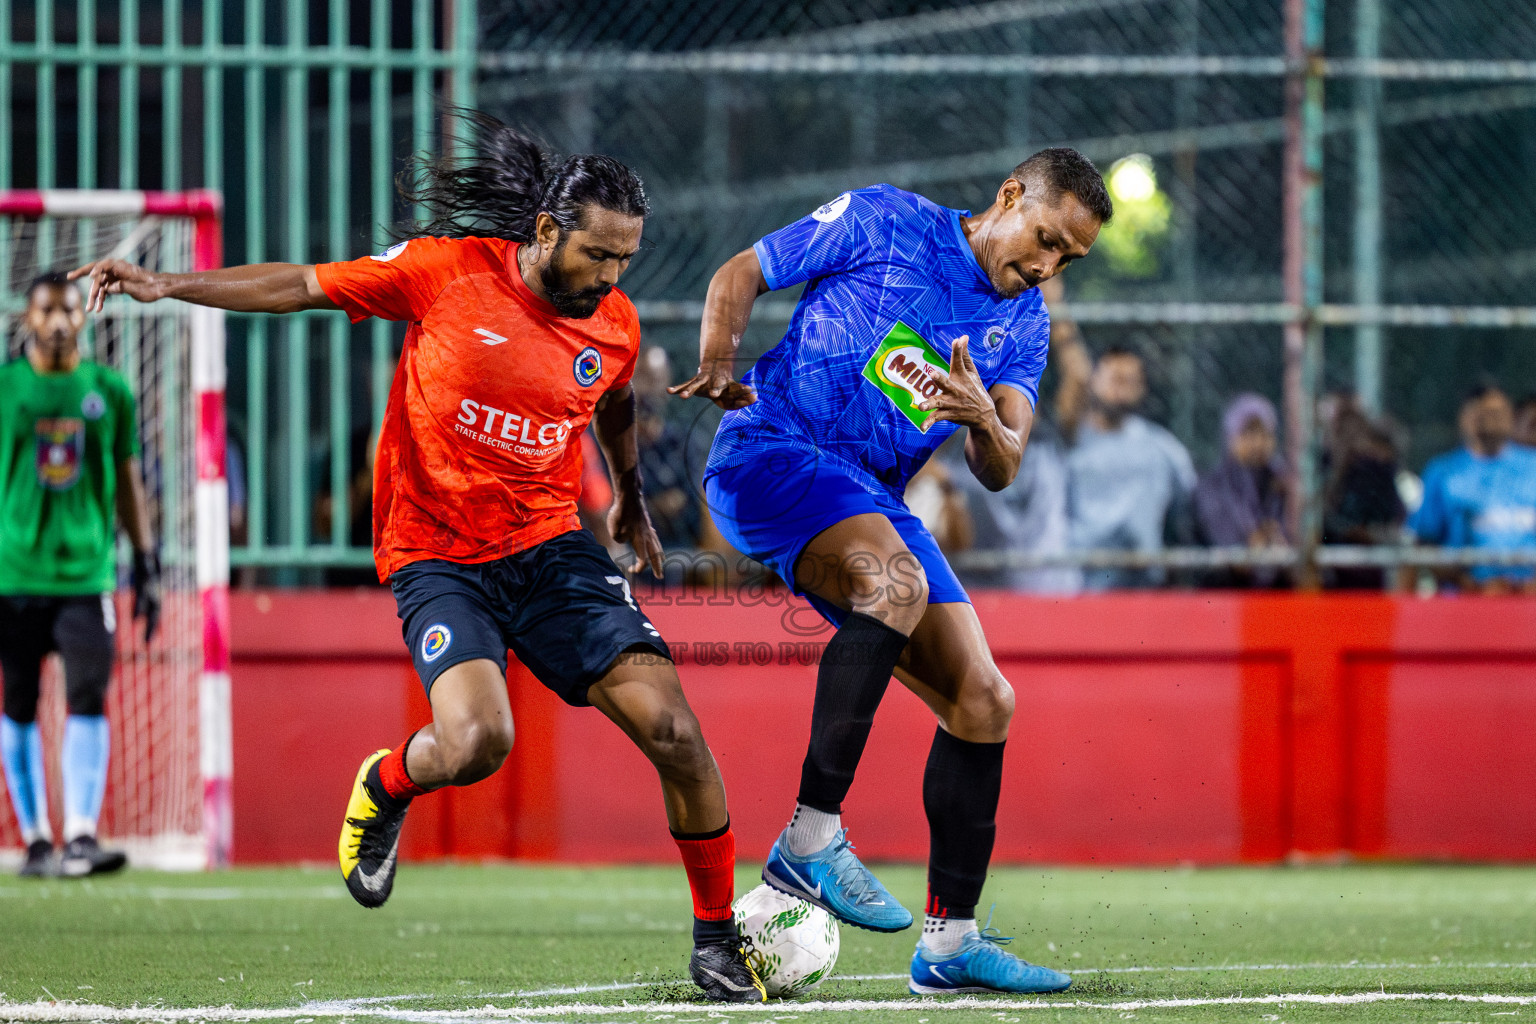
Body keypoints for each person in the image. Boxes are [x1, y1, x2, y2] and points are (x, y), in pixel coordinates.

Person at [73, 112, 765, 1003]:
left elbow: (615, 398)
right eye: (597, 255)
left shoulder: (613, 323)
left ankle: (715, 941)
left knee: (675, 730)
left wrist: (629, 497)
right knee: (479, 742)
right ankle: (388, 781)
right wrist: (165, 283)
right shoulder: (446, 273)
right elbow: (300, 285)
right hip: (436, 553)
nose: (610, 278)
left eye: (625, 260)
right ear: (547, 231)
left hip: (552, 548)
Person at [673, 148, 1113, 995]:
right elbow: (741, 272)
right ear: (1010, 196)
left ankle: (950, 945)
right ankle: (809, 840)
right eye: (1047, 239)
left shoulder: (1023, 324)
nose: (1048, 266)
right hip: (769, 450)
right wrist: (721, 361)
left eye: (1069, 259)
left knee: (985, 702)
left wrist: (986, 417)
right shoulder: (885, 220)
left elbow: (1003, 465)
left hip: (869, 496)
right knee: (898, 588)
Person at [0, 272, 161, 878]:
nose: (61, 321)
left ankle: (81, 836)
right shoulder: (5, 389)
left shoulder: (109, 391)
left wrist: (145, 562)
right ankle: (37, 839)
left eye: (70, 310)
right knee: (17, 703)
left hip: (87, 577)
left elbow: (126, 479)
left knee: (89, 697)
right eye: (48, 311)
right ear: (28, 320)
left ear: (83, 317)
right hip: (12, 575)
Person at [1058, 343, 1195, 590]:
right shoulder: (1071, 439)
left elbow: (1187, 503)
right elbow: (1076, 374)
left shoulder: (1161, 447)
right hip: (1083, 580)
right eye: (1115, 379)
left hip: (1143, 583)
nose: (1120, 390)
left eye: (1130, 381)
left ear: (1142, 388)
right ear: (1095, 380)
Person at [1411, 384, 1536, 594]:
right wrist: (1468, 583)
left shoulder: (1531, 466)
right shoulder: (1443, 472)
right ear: (1466, 418)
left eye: (1498, 413)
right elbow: (1423, 544)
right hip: (1467, 602)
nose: (1491, 421)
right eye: (1483, 413)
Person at [1193, 393, 1290, 588]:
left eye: (1265, 434)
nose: (1257, 443)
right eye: (1247, 434)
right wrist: (1254, 547)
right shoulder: (1212, 487)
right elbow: (1227, 545)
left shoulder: (1286, 482)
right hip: (1229, 596)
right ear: (1230, 437)